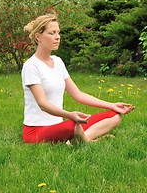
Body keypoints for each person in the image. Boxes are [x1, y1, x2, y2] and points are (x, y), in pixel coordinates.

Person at [21, 14, 134, 144]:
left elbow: (78, 95)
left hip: (59, 126)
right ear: (38, 37)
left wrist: (112, 105)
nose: (57, 37)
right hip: (36, 131)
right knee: (74, 125)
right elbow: (43, 104)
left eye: (58, 32)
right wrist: (69, 115)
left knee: (115, 116)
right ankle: (87, 140)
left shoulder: (58, 62)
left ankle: (77, 139)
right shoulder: (31, 65)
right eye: (52, 33)